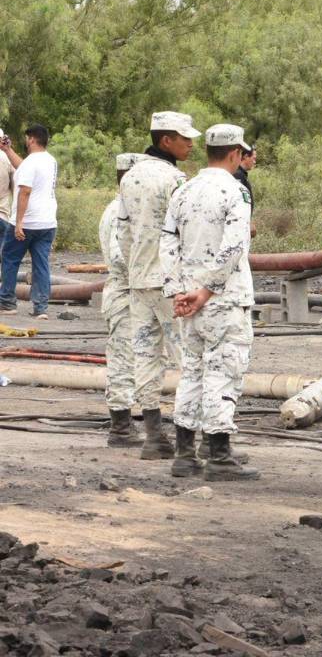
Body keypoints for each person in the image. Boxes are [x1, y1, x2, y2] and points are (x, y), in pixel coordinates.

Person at [160, 124, 259, 481]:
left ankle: (184, 453)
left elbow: (167, 242)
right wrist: (208, 290)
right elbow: (234, 247)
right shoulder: (236, 192)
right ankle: (219, 454)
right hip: (224, 299)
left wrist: (178, 291)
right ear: (235, 153)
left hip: (188, 299)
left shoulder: (183, 191)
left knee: (192, 372)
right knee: (223, 374)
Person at [115, 111, 201, 460]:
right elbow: (187, 233)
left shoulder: (130, 178)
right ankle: (194, 442)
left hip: (139, 281)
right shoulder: (175, 180)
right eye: (185, 138)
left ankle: (153, 436)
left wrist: (135, 266)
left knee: (146, 356)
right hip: (170, 283)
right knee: (190, 357)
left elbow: (122, 234)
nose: (191, 144)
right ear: (166, 140)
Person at [100, 153, 147, 447]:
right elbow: (122, 260)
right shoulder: (119, 213)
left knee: (137, 359)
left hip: (133, 293)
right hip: (125, 293)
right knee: (122, 359)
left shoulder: (126, 209)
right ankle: (120, 427)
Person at [0, 125, 58, 319]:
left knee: (10, 260)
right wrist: (7, 150)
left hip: (27, 222)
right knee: (41, 264)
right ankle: (41, 307)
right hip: (47, 222)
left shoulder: (31, 162)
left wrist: (18, 223)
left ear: (32, 139)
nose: (26, 141)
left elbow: (24, 191)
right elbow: (22, 167)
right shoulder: (50, 161)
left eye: (27, 138)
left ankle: (7, 302)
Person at [234, 144, 257, 238]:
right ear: (246, 156)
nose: (255, 162)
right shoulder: (237, 175)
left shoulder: (241, 175)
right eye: (254, 158)